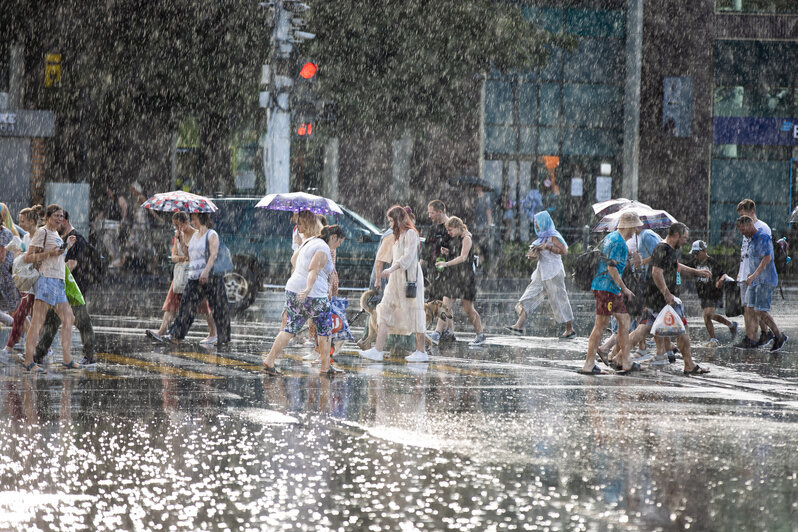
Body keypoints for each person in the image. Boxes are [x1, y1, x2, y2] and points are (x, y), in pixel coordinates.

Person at [262, 215, 344, 375]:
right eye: (339, 242)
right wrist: (307, 288)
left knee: (290, 328)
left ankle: (270, 359)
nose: (337, 246)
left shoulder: (309, 241)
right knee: (325, 330)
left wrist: (302, 276)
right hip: (313, 294)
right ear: (333, 237)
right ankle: (325, 367)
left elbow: (294, 260)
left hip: (293, 289)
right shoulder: (323, 248)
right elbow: (313, 269)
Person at [148, 212, 231, 347]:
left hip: (211, 277)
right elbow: (188, 254)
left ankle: (224, 338)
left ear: (202, 219)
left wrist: (205, 272)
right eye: (191, 220)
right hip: (193, 278)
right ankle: (176, 335)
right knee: (186, 308)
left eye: (194, 219)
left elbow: (213, 255)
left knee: (219, 307)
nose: (192, 222)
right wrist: (180, 239)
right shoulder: (195, 236)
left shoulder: (211, 234)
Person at [642, 222, 711, 375]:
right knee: (682, 329)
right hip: (665, 298)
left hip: (662, 297)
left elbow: (677, 267)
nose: (685, 241)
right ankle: (688, 364)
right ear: (675, 235)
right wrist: (666, 293)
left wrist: (697, 272)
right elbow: (656, 272)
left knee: (646, 328)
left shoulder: (669, 250)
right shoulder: (662, 248)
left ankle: (620, 355)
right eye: (684, 238)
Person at [361, 205, 428, 362]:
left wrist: (391, 269)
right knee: (384, 309)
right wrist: (391, 272)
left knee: (415, 312)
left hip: (409, 279)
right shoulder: (398, 235)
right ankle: (378, 350)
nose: (390, 224)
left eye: (391, 220)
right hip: (395, 279)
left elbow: (408, 257)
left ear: (399, 219)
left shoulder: (411, 234)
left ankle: (421, 351)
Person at [579, 211, 642, 375]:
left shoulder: (612, 238)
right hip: (606, 288)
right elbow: (612, 268)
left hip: (609, 288)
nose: (636, 230)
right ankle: (589, 364)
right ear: (629, 227)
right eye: (635, 227)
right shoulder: (619, 243)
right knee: (600, 325)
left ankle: (625, 360)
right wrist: (625, 288)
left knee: (624, 319)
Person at [32, 210, 96, 367]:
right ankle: (39, 354)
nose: (58, 222)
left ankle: (89, 356)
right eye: (56, 218)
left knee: (82, 321)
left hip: (73, 287)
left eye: (60, 219)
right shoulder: (62, 238)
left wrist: (56, 273)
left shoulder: (77, 238)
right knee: (52, 321)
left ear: (65, 221)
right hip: (61, 286)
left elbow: (72, 263)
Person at [22, 204, 80, 372]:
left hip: (58, 281)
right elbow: (28, 258)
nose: (59, 219)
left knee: (69, 318)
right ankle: (28, 361)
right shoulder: (43, 232)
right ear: (47, 217)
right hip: (46, 280)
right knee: (37, 322)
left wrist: (66, 246)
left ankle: (67, 359)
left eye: (61, 216)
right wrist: (49, 254)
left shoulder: (56, 234)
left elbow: (58, 256)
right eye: (56, 216)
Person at [503, 210, 575, 339]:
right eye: (535, 223)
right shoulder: (541, 236)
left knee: (559, 301)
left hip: (554, 273)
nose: (536, 225)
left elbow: (564, 251)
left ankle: (570, 329)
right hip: (541, 272)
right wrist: (534, 253)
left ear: (544, 222)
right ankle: (519, 325)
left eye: (537, 223)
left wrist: (548, 247)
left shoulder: (553, 236)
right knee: (529, 295)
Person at [427, 216, 486, 347]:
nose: (449, 233)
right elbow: (457, 254)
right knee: (445, 305)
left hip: (465, 278)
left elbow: (463, 257)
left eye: (450, 230)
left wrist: (446, 263)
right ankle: (436, 334)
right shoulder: (457, 238)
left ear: (459, 227)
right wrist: (448, 252)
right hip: (455, 276)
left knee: (468, 309)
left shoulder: (467, 238)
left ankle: (480, 335)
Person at [735, 216, 788, 351]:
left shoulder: (762, 237)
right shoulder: (751, 239)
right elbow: (755, 259)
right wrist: (750, 273)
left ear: (749, 225)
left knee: (760, 310)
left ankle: (778, 335)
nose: (742, 233)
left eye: (742, 230)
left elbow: (767, 258)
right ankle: (761, 336)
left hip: (765, 280)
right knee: (750, 307)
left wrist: (754, 275)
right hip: (755, 280)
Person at [734, 199, 776, 348]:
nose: (741, 218)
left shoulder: (762, 228)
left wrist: (755, 275)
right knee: (749, 308)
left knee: (751, 309)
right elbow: (745, 253)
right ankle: (764, 334)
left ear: (751, 212)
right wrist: (741, 272)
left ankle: (752, 338)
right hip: (745, 273)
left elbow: (765, 255)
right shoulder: (745, 227)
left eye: (743, 214)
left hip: (756, 276)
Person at [1, 206, 42, 360]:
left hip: (38, 284)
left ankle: (11, 349)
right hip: (28, 284)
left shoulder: (39, 236)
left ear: (32, 221)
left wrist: (24, 255)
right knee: (23, 315)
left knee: (22, 316)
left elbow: (37, 258)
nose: (20, 224)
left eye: (23, 221)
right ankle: (38, 347)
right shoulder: (26, 237)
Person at [688, 240, 737, 346]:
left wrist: (720, 281)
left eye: (697, 253)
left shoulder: (712, 262)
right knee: (707, 316)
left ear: (704, 251)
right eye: (694, 253)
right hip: (703, 293)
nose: (696, 256)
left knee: (707, 314)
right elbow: (686, 270)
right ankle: (726, 328)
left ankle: (717, 336)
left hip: (714, 292)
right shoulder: (694, 263)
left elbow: (724, 274)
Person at [422, 200, 455, 342]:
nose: (429, 216)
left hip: (449, 269)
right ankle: (449, 331)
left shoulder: (451, 227)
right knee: (444, 301)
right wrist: (421, 266)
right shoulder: (433, 228)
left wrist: (449, 252)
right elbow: (426, 249)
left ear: (440, 212)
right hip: (434, 269)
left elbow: (460, 249)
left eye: (432, 213)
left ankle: (437, 332)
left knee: (443, 302)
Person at [0, 224, 19, 328]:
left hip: (6, 278)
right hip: (3, 277)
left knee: (15, 309)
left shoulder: (4, 233)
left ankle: (25, 335)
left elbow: (1, 257)